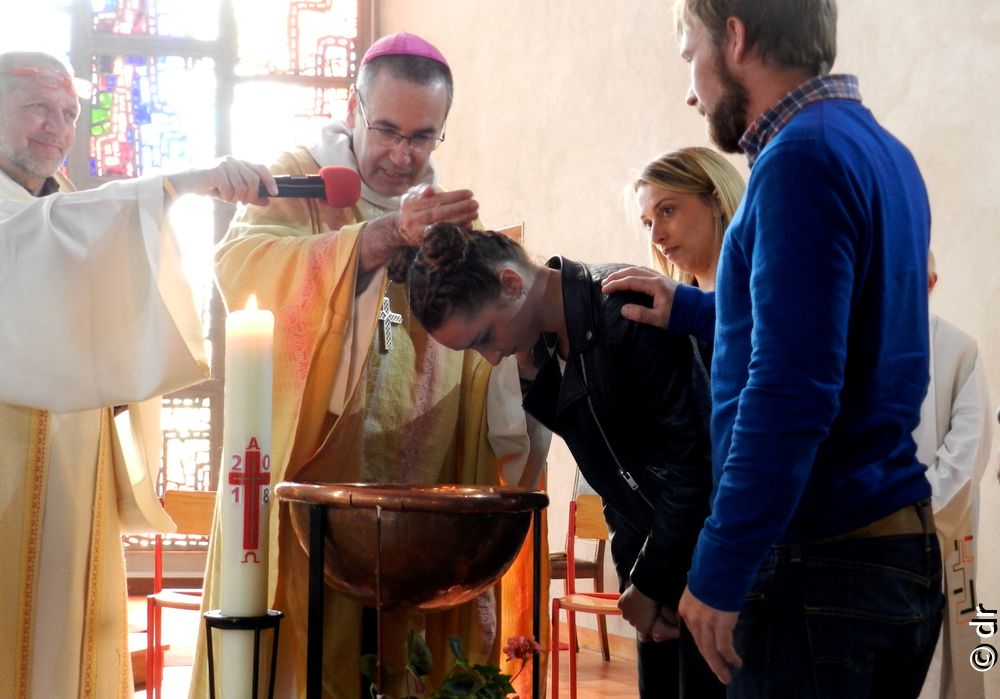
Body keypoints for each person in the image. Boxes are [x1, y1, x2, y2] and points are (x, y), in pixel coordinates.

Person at [603, 1, 944, 696]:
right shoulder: (881, 149)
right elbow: (829, 323)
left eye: (690, 54)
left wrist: (721, 561)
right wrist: (693, 308)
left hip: (821, 562)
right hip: (887, 550)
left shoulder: (800, 158)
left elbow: (792, 386)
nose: (691, 90)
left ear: (734, 37)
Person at [193, 32, 543, 699]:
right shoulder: (301, 178)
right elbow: (245, 272)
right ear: (354, 106)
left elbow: (484, 348)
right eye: (385, 129)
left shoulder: (449, 218)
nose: (400, 155)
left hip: (419, 499)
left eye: (422, 137)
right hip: (314, 487)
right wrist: (374, 241)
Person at [0, 50, 276, 699]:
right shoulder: (41, 213)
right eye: (37, 106)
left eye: (68, 113)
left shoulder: (63, 203)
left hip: (72, 475)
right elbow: (33, 235)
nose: (56, 125)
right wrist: (181, 183)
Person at [401, 223, 723, 698]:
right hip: (667, 576)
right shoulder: (546, 352)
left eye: (485, 337)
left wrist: (650, 584)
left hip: (715, 571)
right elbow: (615, 483)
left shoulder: (622, 307)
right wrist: (642, 587)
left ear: (512, 284)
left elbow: (697, 463)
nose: (491, 359)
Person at [916, 252, 992, 699]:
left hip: (939, 535)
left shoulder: (958, 348)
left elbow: (968, 454)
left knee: (949, 669)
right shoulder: (856, 345)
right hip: (873, 539)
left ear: (930, 282)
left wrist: (912, 521)